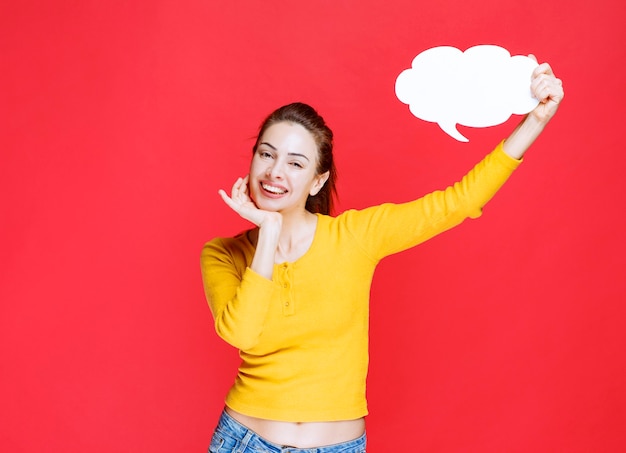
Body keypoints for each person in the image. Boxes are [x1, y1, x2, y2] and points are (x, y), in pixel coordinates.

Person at [201, 60, 564, 453]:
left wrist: (536, 121)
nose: (275, 172)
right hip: (244, 441)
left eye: (295, 163)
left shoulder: (355, 236)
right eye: (266, 155)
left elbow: (458, 203)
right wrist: (268, 233)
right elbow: (242, 333)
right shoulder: (223, 254)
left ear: (317, 180)